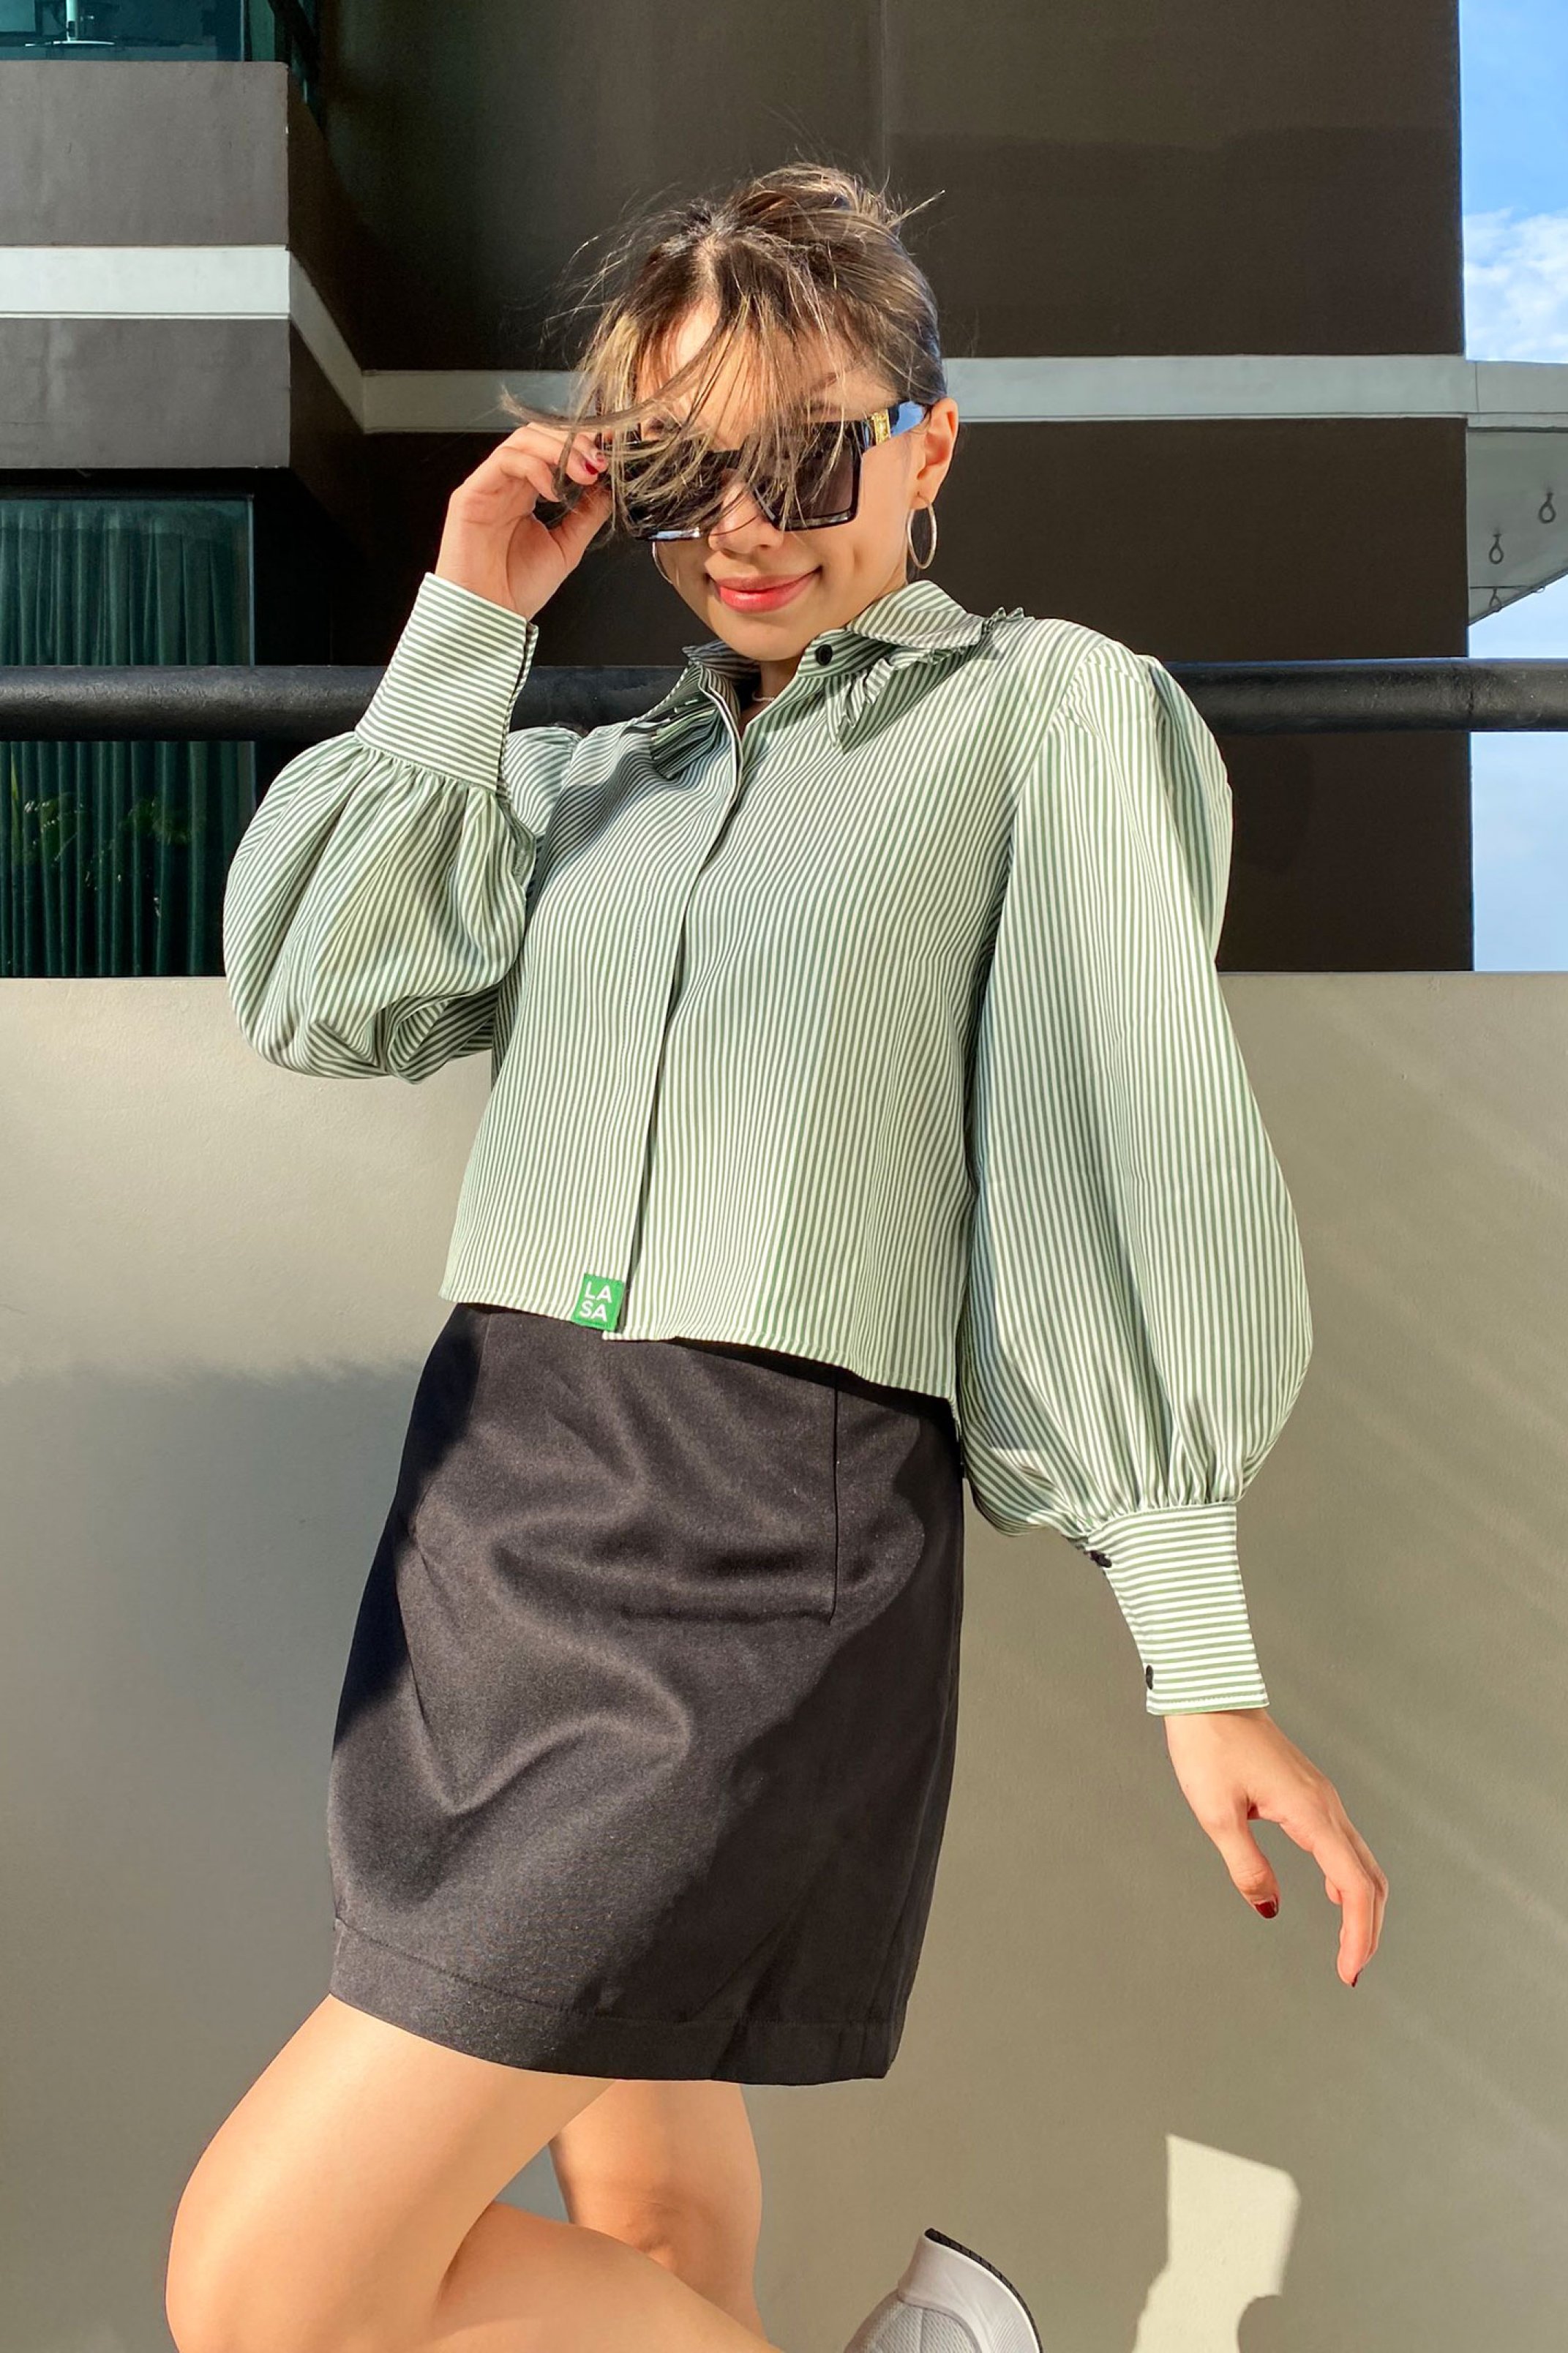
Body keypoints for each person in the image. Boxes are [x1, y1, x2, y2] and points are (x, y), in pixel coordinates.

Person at [165, 162, 1387, 2353]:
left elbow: (1123, 1141)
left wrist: (1195, 1651)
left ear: (931, 443)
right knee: (642, 2238)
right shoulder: (584, 785)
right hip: (490, 1524)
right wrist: (468, 621)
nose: (742, 525)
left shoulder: (1042, 718)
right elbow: (318, 987)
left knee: (274, 2289)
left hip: (757, 1541)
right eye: (673, 471)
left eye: (808, 459)